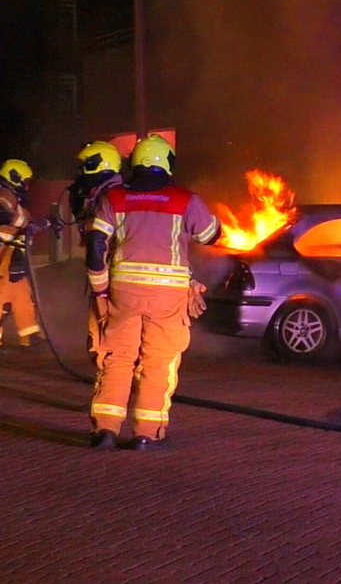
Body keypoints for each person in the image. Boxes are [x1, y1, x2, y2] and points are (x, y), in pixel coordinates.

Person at [85, 134, 220, 450]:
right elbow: (211, 235)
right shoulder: (185, 200)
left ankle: (105, 430)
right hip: (168, 299)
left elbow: (95, 247)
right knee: (158, 362)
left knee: (117, 359)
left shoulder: (114, 198)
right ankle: (147, 434)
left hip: (123, 293)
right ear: (167, 163)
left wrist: (100, 291)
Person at [0, 159, 50, 352]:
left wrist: (43, 223)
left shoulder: (13, 197)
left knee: (22, 294)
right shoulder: (1, 194)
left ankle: (29, 334)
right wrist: (27, 224)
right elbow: (0, 211)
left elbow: (23, 223)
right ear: (15, 177)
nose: (26, 186)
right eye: (25, 181)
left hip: (12, 253)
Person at [68, 141, 124, 362]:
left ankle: (110, 372)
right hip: (106, 266)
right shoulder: (101, 194)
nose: (81, 172)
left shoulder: (110, 196)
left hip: (110, 269)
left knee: (106, 328)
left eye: (85, 166)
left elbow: (98, 237)